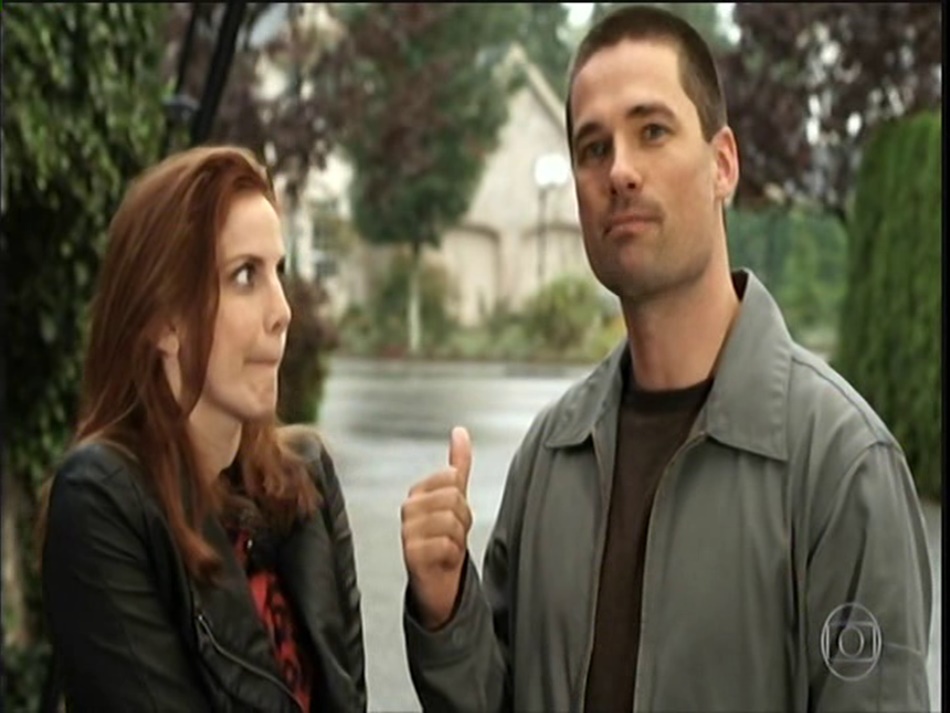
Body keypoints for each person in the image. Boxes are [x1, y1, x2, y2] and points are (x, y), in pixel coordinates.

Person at [399, 6, 932, 712]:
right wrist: (445, 613)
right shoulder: (550, 458)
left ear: (723, 164)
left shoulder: (841, 467)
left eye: (652, 131)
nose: (619, 170)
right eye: (593, 148)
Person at [40, 145, 366, 713]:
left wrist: (440, 613)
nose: (282, 311)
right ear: (164, 319)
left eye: (279, 271)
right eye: (245, 276)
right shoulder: (102, 502)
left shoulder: (305, 482)